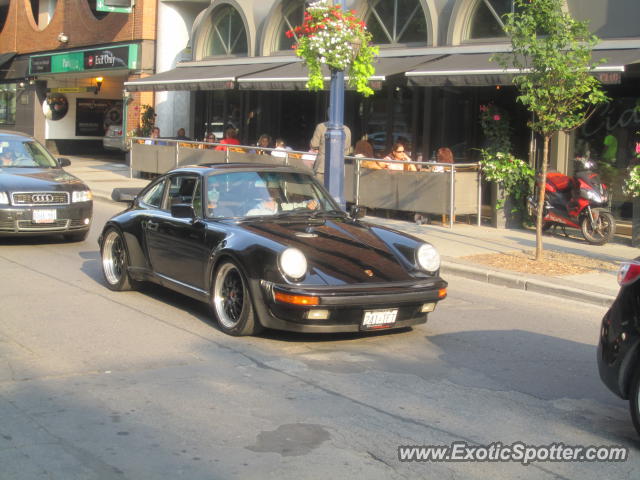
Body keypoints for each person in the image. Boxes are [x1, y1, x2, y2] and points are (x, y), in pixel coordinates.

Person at [310, 119, 352, 184]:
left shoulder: (321, 127)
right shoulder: (347, 129)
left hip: (321, 167)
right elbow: (347, 150)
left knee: (320, 192)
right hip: (338, 168)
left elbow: (314, 144)